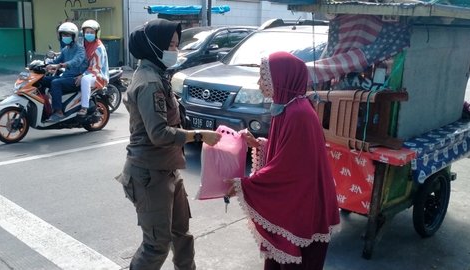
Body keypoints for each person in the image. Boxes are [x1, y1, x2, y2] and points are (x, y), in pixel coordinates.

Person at [115, 19, 221, 270]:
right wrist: (198, 135)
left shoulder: (157, 74)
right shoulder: (149, 82)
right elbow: (159, 133)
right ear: (155, 46)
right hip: (150, 175)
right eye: (170, 45)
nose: (174, 50)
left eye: (176, 44)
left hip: (168, 169)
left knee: (181, 235)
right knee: (156, 245)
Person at [227, 51, 340, 270]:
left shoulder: (298, 114)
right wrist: (260, 145)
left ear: (282, 78)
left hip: (303, 204)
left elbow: (287, 168)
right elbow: (288, 153)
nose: (260, 83)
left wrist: (245, 186)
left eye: (265, 77)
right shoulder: (287, 107)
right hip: (299, 200)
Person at [43, 22, 88, 122]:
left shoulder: (80, 48)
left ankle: (58, 112)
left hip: (75, 79)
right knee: (44, 80)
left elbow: (77, 61)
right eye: (63, 35)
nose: (64, 37)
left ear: (74, 36)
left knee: (55, 83)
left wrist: (64, 64)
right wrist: (45, 64)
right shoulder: (65, 49)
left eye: (67, 35)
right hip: (66, 77)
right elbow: (56, 61)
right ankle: (45, 106)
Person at [76, 19, 109, 115]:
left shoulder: (99, 48)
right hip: (85, 70)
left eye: (91, 32)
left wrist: (82, 75)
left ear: (96, 34)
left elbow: (95, 68)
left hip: (98, 75)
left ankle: (84, 107)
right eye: (87, 32)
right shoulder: (84, 43)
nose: (88, 34)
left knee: (85, 80)